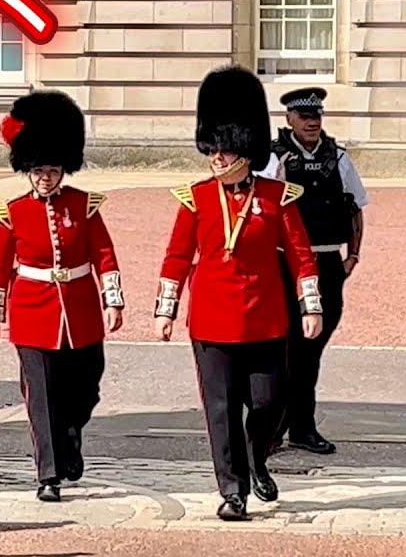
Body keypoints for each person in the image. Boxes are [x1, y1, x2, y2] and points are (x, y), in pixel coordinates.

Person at [152, 66, 323, 521]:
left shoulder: (277, 197)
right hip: (210, 319)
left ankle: (256, 458)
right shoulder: (196, 199)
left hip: (265, 317)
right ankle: (232, 491)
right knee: (221, 410)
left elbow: (302, 257)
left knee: (269, 403)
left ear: (245, 151)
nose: (216, 159)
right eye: (213, 150)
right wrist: (165, 311)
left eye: (225, 151)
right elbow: (175, 258)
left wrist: (311, 305)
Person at [0, 90, 125, 502]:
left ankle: (71, 431)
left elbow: (104, 254)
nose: (46, 176)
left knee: (87, 387)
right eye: (39, 169)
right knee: (40, 398)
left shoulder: (84, 206)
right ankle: (48, 474)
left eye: (53, 169)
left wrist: (112, 299)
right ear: (28, 169)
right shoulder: (13, 212)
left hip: (79, 308)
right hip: (31, 311)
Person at [262, 87, 369, 456]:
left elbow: (355, 208)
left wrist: (352, 256)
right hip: (284, 263)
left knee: (310, 350)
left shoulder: (338, 158)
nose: (312, 122)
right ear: (289, 118)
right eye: (305, 116)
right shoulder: (274, 159)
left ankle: (302, 428)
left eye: (317, 116)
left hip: (326, 261)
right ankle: (271, 429)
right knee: (281, 348)